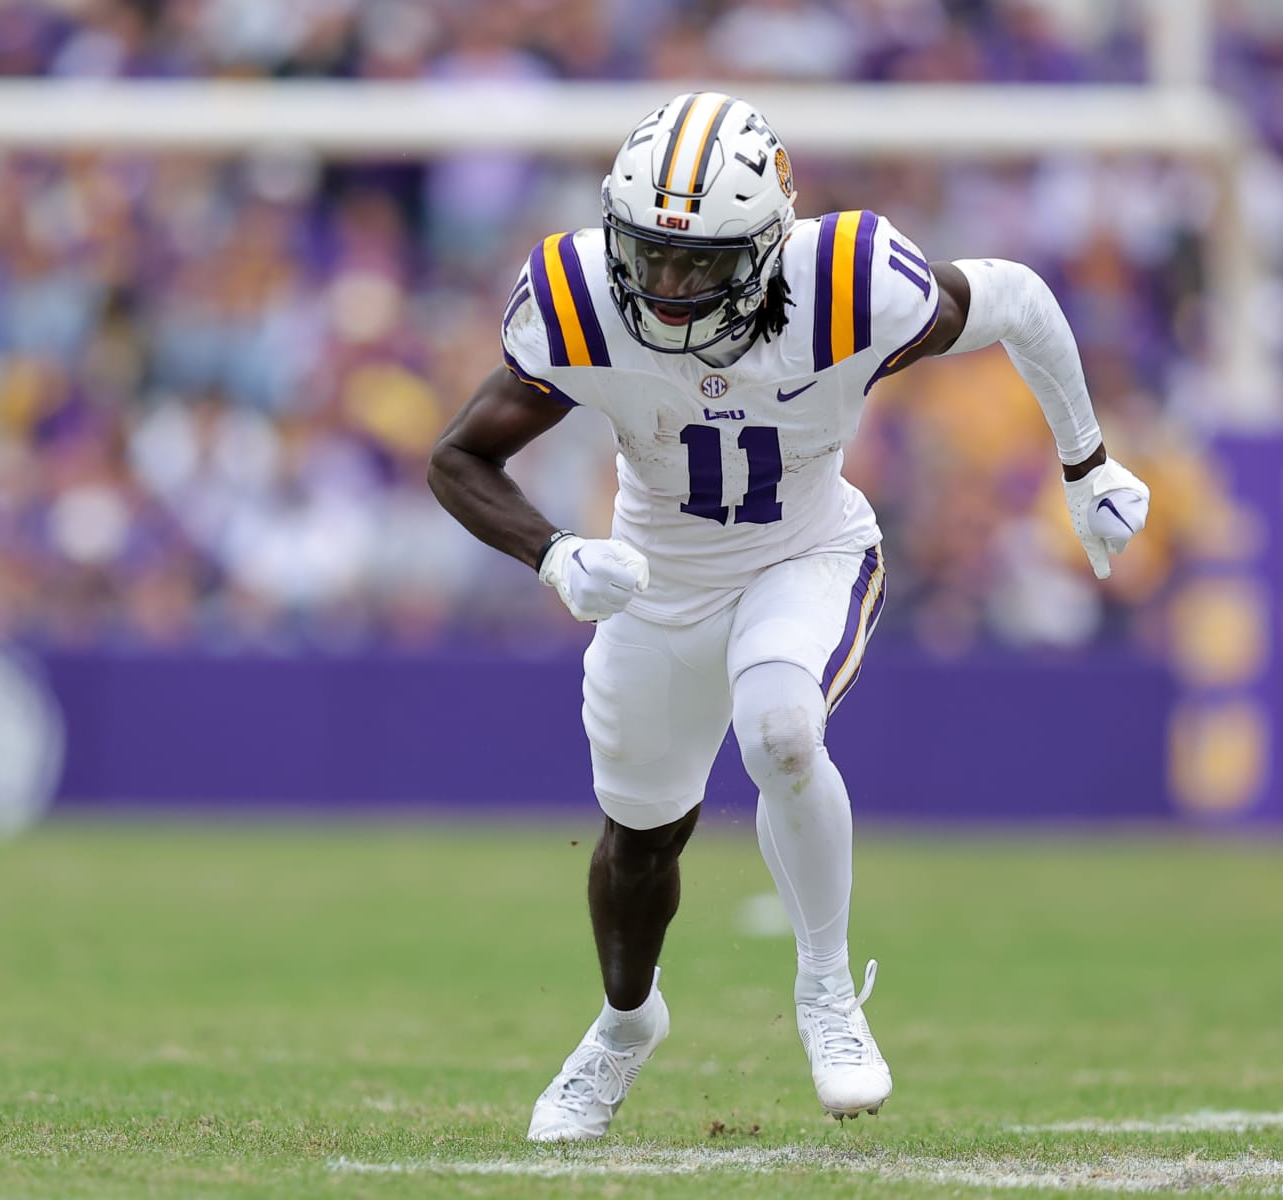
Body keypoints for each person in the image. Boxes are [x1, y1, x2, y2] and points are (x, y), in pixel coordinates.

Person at [427, 91, 1150, 1141]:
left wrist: (1085, 464)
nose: (667, 287)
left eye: (700, 263)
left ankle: (826, 991)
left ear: (767, 247)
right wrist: (553, 554)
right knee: (639, 839)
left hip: (804, 552)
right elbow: (458, 455)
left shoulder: (851, 285)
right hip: (657, 581)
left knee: (781, 730)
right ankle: (627, 1026)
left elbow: (1020, 300)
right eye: (649, 255)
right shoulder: (580, 297)